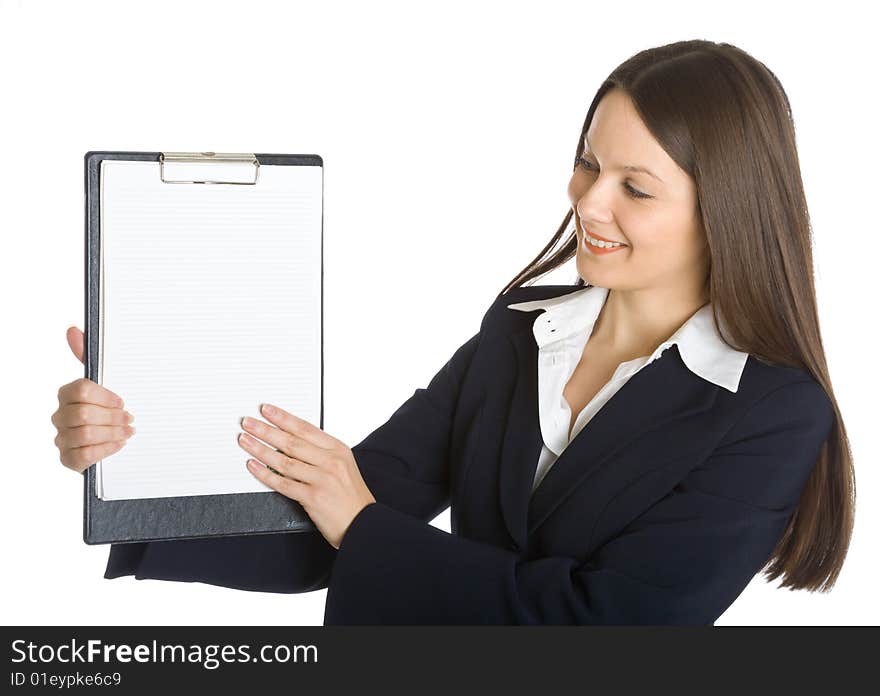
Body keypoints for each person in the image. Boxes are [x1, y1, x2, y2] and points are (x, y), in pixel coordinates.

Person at [52, 39, 854, 624]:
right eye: (587, 164)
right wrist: (141, 463)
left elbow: (611, 626)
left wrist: (365, 527)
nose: (588, 201)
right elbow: (326, 527)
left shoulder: (773, 410)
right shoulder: (516, 336)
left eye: (635, 188)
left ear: (726, 212)